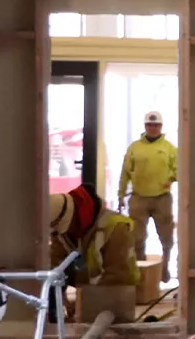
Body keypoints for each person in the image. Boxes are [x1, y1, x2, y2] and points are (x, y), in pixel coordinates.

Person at [119, 110, 178, 279]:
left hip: (162, 198)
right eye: (150, 125)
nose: (153, 128)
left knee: (166, 238)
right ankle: (139, 274)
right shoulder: (134, 148)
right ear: (145, 126)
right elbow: (125, 172)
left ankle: (164, 271)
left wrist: (171, 179)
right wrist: (121, 194)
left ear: (161, 127)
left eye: (156, 125)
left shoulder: (170, 148)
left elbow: (179, 169)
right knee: (137, 238)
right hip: (138, 198)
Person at [48, 185, 139, 287]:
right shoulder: (63, 233)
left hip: (116, 293)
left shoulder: (116, 229)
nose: (56, 235)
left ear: (73, 219)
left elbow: (118, 276)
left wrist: (85, 297)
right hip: (89, 290)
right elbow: (55, 264)